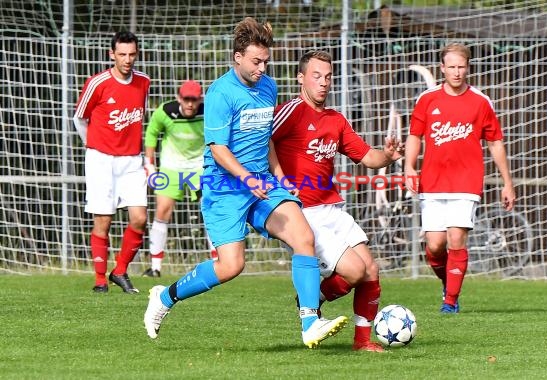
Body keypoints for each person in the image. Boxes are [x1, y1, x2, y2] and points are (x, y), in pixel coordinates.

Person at [144, 17, 348, 348]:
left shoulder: (268, 87)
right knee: (231, 265)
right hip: (225, 188)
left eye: (265, 61)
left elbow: (266, 138)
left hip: (262, 184)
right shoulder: (220, 93)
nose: (262, 68)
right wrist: (247, 177)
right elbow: (218, 150)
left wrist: (278, 175)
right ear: (237, 57)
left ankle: (310, 321)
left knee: (303, 236)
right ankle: (165, 297)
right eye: (256, 61)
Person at [272, 50, 403, 352]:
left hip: (332, 208)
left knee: (370, 269)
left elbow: (368, 156)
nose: (323, 83)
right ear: (300, 78)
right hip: (303, 213)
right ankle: (312, 300)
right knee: (354, 271)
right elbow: (259, 142)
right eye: (316, 76)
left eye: (328, 77)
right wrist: (276, 182)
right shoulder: (290, 112)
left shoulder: (336, 120)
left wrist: (387, 155)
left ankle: (362, 341)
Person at [404, 42, 516, 313]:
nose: (456, 72)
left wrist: (507, 183)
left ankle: (450, 302)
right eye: (451, 67)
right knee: (434, 246)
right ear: (442, 68)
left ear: (468, 67)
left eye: (461, 67)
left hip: (466, 182)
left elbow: (495, 143)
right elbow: (415, 136)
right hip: (432, 182)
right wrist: (409, 166)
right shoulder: (427, 99)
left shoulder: (480, 101)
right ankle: (449, 282)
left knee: (456, 238)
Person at [73, 31, 151, 294]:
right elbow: (80, 118)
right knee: (103, 220)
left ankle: (119, 271)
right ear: (112, 55)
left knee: (139, 218)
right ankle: (99, 281)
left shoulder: (144, 82)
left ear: (136, 54)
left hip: (131, 161)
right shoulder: (98, 83)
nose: (127, 60)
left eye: (131, 54)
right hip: (101, 160)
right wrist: (94, 146)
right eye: (122, 54)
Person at [142, 80, 217, 278]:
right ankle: (155, 267)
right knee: (162, 211)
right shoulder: (165, 111)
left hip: (200, 168)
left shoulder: (209, 112)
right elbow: (151, 135)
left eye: (194, 100)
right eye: (186, 99)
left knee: (211, 211)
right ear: (179, 98)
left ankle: (219, 262)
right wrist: (149, 165)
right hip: (171, 169)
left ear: (200, 99)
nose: (190, 104)